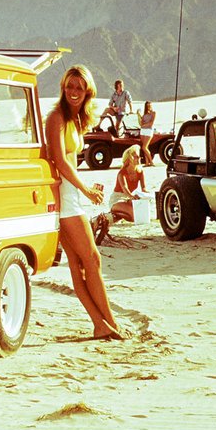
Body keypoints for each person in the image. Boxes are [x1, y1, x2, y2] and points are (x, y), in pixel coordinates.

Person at [45, 65, 126, 341]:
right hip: (66, 198)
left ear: (88, 90)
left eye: (79, 87)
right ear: (63, 87)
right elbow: (58, 160)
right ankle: (108, 322)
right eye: (70, 86)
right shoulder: (56, 117)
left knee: (80, 265)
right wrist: (87, 190)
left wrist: (86, 189)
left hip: (71, 194)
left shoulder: (75, 119)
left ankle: (101, 324)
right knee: (91, 259)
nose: (74, 92)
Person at [109, 146, 150, 221]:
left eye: (139, 157)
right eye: (136, 157)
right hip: (118, 198)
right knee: (134, 215)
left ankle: (119, 214)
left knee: (140, 213)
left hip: (128, 198)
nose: (139, 159)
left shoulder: (140, 171)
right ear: (129, 159)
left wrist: (148, 195)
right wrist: (132, 197)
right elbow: (125, 188)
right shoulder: (122, 173)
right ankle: (116, 213)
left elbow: (143, 188)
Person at [138, 100, 156, 165]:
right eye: (148, 106)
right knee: (146, 147)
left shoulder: (153, 113)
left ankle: (151, 162)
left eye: (150, 105)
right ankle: (147, 162)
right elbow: (141, 123)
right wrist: (139, 115)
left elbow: (151, 123)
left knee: (144, 147)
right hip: (143, 131)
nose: (149, 107)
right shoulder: (144, 114)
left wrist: (144, 125)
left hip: (149, 130)